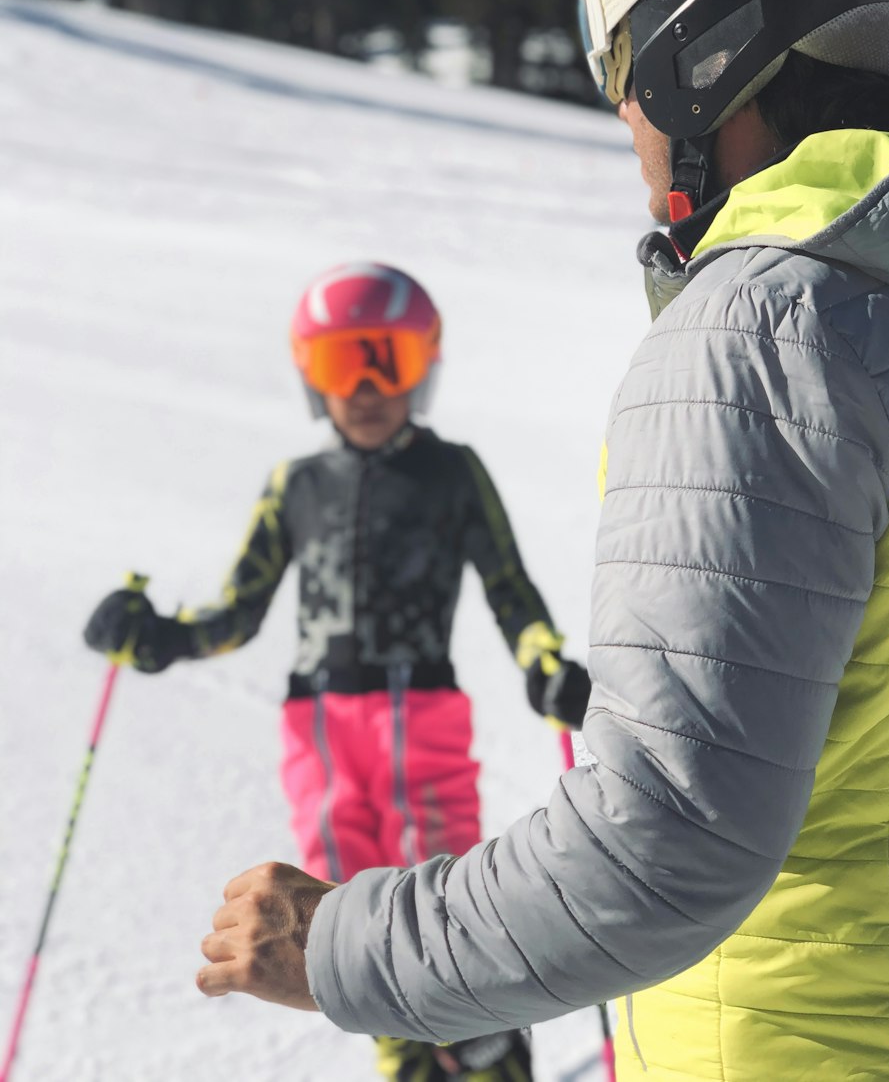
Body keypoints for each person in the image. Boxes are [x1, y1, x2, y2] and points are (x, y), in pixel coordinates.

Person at [195, 0, 889, 1080]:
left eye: (618, 54)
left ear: (701, 43)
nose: (621, 105)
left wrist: (343, 943)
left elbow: (666, 840)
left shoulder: (762, 330)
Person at [84, 261, 589, 1082]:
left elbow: (510, 588)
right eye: (339, 363)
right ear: (309, 376)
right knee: (340, 907)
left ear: (423, 364)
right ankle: (404, 1054)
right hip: (318, 732)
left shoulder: (451, 471)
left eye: (385, 358)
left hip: (421, 717)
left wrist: (542, 664)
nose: (364, 386)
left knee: (442, 895)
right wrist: (161, 638)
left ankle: (488, 1046)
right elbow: (238, 611)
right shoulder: (297, 486)